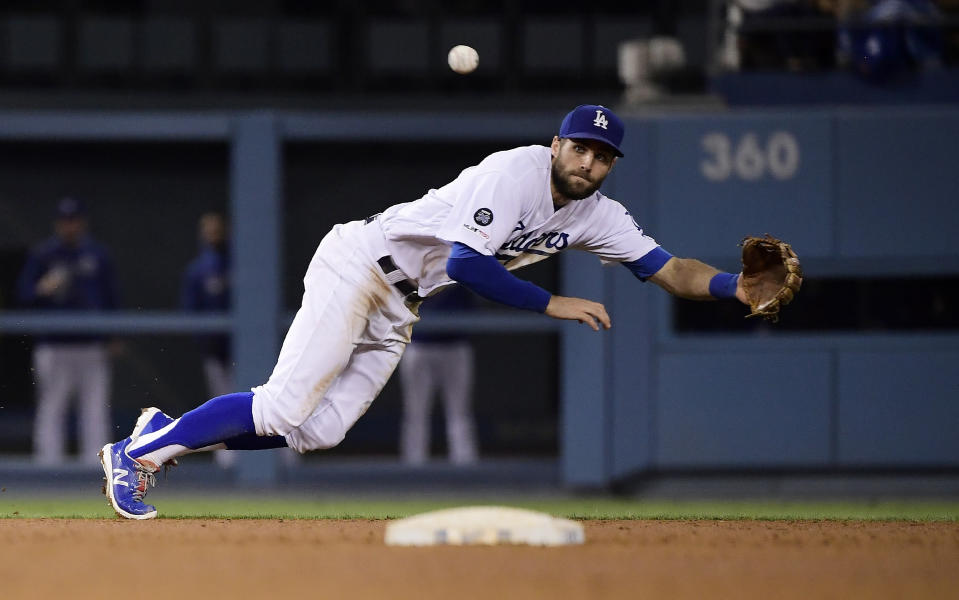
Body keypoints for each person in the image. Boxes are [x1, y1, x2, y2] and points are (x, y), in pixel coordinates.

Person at [99, 104, 749, 519]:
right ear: (556, 144)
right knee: (281, 406)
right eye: (579, 147)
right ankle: (138, 454)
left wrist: (735, 289)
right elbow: (467, 263)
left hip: (401, 301)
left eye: (602, 155)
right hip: (361, 264)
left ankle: (161, 432)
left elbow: (671, 270)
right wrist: (553, 302)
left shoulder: (597, 215)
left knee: (318, 431)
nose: (588, 161)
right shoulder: (514, 172)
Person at [17, 196, 119, 466]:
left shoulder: (97, 254)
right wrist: (41, 288)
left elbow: (112, 297)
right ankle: (48, 466)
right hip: (54, 344)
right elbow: (23, 295)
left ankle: (98, 467)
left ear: (82, 223)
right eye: (65, 221)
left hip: (91, 344)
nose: (69, 226)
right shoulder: (44, 254)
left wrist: (114, 335)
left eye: (74, 221)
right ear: (57, 224)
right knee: (52, 407)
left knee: (94, 408)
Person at [398, 284, 479, 466]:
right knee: (416, 412)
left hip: (455, 346)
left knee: (459, 412)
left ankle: (466, 471)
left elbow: (470, 308)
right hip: (419, 346)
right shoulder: (412, 267)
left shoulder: (459, 267)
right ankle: (413, 470)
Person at [180, 212, 236, 468]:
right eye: (208, 230)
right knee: (221, 403)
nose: (214, 235)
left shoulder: (240, 263)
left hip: (248, 350)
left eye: (217, 229)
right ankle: (228, 460)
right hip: (216, 350)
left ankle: (281, 458)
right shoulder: (199, 269)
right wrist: (205, 344)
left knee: (268, 403)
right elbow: (191, 311)